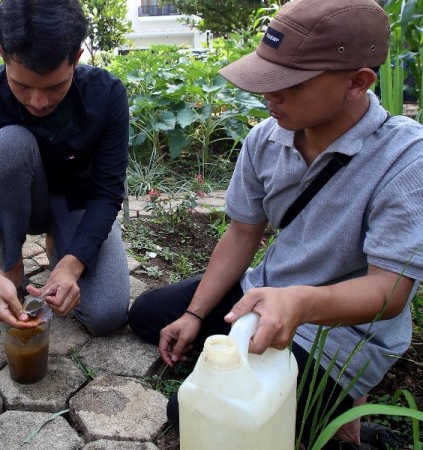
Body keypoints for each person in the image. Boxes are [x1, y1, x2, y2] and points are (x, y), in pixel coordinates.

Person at [128, 0, 423, 447]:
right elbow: (243, 231)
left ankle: (349, 429)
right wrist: (194, 314)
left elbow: (389, 292)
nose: (270, 97)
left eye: (291, 85)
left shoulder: (405, 160)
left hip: (342, 333)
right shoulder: (266, 138)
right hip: (265, 293)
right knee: (151, 316)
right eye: (268, 79)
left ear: (357, 82)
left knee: (192, 413)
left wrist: (300, 304)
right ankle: (292, 394)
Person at [0, 0, 130, 336]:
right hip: (15, 202)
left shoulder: (106, 94)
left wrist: (72, 264)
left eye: (54, 87)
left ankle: (59, 246)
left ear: (76, 59)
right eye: (22, 86)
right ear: (3, 55)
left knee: (107, 314)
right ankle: (12, 269)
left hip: (76, 203)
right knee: (9, 145)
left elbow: (107, 193)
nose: (38, 102)